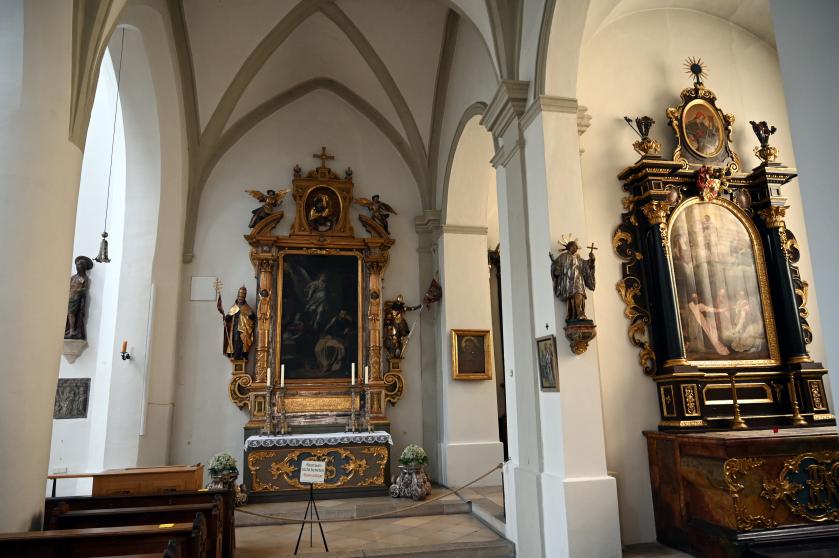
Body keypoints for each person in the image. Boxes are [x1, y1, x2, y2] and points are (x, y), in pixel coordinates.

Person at [549, 239, 596, 321]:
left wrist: (592, 260)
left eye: (577, 247)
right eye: (575, 246)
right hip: (568, 281)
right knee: (571, 297)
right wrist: (557, 271)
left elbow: (586, 266)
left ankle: (580, 312)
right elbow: (555, 268)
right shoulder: (563, 257)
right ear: (570, 247)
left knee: (579, 293)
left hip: (579, 281)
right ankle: (573, 314)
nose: (576, 248)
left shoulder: (578, 258)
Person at [217, 286, 255, 360]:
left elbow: (252, 318)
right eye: (240, 297)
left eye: (242, 297)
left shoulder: (247, 307)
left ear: (244, 297)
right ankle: (235, 355)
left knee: (242, 341)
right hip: (235, 327)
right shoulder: (233, 307)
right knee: (235, 340)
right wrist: (226, 319)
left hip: (244, 328)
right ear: (238, 296)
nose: (240, 299)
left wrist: (251, 315)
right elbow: (229, 316)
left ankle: (243, 355)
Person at [65, 256, 94, 339]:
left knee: (71, 313)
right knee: (69, 314)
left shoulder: (84, 278)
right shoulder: (73, 277)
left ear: (83, 267)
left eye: (79, 265)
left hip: (76, 298)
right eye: (77, 265)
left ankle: (72, 330)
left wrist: (78, 290)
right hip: (70, 297)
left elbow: (85, 288)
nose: (77, 267)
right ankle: (70, 329)